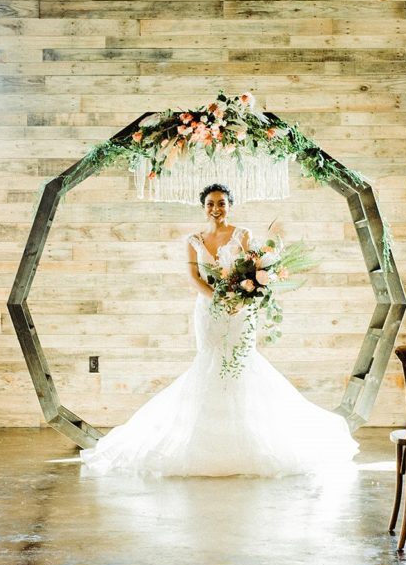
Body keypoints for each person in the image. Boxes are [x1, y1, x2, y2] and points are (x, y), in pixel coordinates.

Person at [80, 183, 359, 477]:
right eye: (211, 204)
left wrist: (240, 299)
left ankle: (250, 441)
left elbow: (254, 270)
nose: (216, 209)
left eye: (222, 203)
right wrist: (219, 298)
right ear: (204, 207)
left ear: (230, 205)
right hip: (209, 310)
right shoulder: (193, 240)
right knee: (209, 363)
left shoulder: (243, 235)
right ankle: (204, 443)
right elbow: (193, 277)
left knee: (242, 363)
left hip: (241, 311)